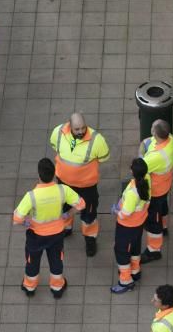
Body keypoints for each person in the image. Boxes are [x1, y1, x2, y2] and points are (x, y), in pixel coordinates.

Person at [12, 157, 85, 299]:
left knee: (32, 262)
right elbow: (81, 204)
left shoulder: (31, 196)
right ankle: (57, 287)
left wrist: (27, 221)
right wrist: (68, 214)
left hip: (36, 236)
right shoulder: (62, 190)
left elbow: (16, 218)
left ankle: (29, 287)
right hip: (57, 235)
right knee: (56, 261)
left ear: (39, 175)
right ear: (54, 174)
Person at [49, 112, 110, 256]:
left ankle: (90, 239)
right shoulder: (58, 132)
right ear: (69, 126)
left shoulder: (97, 140)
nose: (81, 131)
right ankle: (66, 228)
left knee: (88, 214)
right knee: (65, 208)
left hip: (87, 187)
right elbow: (55, 147)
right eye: (77, 129)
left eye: (83, 128)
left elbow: (104, 157)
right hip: (64, 183)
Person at [110, 159, 151, 294]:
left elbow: (125, 214)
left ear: (133, 172)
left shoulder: (134, 192)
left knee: (121, 252)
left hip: (127, 227)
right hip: (138, 225)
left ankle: (126, 281)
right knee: (134, 248)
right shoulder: (146, 181)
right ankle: (135, 271)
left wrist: (116, 211)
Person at [139, 119, 173, 263]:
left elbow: (139, 167)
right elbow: (150, 141)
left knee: (153, 221)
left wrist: (140, 150)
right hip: (165, 186)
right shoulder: (171, 141)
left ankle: (153, 251)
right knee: (163, 208)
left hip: (155, 191)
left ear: (155, 133)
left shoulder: (156, 157)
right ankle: (165, 227)